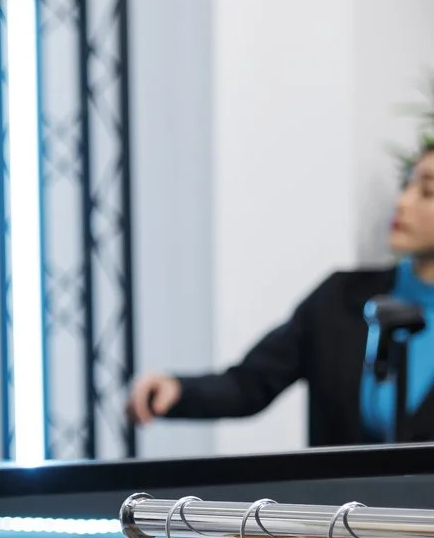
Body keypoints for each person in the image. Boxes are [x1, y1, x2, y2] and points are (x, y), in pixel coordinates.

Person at [132, 144, 434, 445]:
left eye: (427, 192)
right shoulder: (340, 298)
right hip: (339, 493)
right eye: (407, 184)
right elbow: (250, 383)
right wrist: (178, 390)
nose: (403, 202)